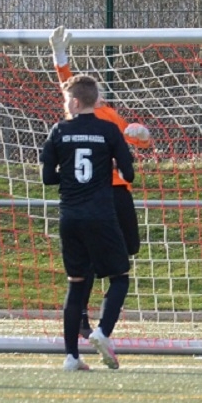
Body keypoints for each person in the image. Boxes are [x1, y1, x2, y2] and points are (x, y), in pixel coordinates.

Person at [49, 26, 152, 337]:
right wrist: (59, 55)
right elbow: (68, 84)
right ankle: (83, 318)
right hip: (96, 193)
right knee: (91, 261)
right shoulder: (76, 117)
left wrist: (142, 135)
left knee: (128, 248)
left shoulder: (110, 117)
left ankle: (98, 316)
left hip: (118, 192)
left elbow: (134, 142)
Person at [41, 73, 135, 371]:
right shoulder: (108, 130)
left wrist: (69, 174)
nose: (64, 103)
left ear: (76, 101)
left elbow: (48, 178)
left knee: (76, 284)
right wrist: (109, 166)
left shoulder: (58, 130)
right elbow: (129, 174)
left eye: (66, 98)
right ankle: (103, 331)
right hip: (101, 215)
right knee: (119, 276)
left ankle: (71, 356)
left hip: (70, 217)